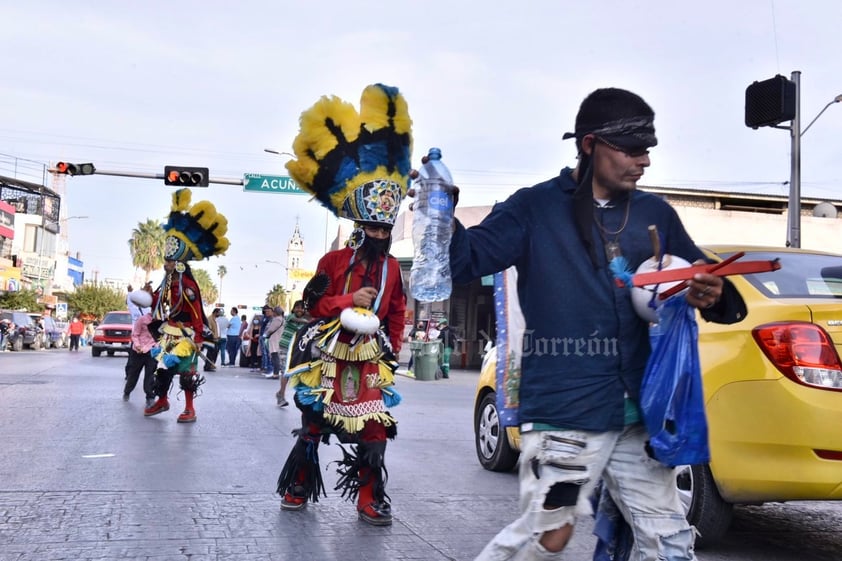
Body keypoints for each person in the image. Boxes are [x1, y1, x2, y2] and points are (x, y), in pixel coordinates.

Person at [449, 88, 746, 560]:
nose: (642, 161)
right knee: (547, 536)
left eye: (646, 149)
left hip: (637, 414)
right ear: (588, 145)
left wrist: (714, 293)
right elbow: (465, 261)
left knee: (668, 538)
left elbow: (705, 280)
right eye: (629, 150)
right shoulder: (534, 208)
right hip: (565, 412)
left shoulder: (655, 214)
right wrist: (441, 217)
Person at [276, 83, 411, 526]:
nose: (377, 235)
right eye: (371, 227)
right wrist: (346, 300)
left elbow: (396, 313)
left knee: (375, 432)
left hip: (370, 361)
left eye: (383, 229)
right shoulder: (332, 261)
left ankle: (369, 496)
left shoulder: (393, 268)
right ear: (360, 222)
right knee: (315, 421)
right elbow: (307, 308)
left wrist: (392, 346)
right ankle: (299, 483)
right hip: (328, 356)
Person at [144, 188, 229, 423]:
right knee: (163, 369)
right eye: (166, 260)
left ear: (179, 262)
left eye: (170, 260)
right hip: (169, 333)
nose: (166, 264)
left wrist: (199, 335)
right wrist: (149, 296)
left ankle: (190, 408)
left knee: (187, 373)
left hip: (187, 334)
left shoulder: (188, 285)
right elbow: (160, 305)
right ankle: (162, 400)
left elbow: (195, 311)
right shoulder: (166, 282)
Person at [124, 296, 158, 408]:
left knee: (150, 375)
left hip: (152, 352)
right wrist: (138, 346)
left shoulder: (161, 322)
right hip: (138, 351)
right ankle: (127, 391)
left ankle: (150, 397)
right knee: (134, 373)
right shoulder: (142, 320)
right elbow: (135, 334)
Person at [274, 300, 308, 407]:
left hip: (296, 349)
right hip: (284, 347)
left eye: (301, 308)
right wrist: (308, 322)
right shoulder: (290, 317)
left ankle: (280, 393)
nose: (299, 310)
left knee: (294, 373)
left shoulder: (305, 319)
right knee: (285, 372)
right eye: (297, 307)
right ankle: (281, 396)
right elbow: (297, 320)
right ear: (293, 309)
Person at [262, 306, 285, 380]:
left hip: (275, 340)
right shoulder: (283, 319)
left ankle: (275, 374)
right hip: (278, 339)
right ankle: (276, 373)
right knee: (276, 357)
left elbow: (271, 329)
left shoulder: (277, 319)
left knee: (275, 357)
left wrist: (265, 334)